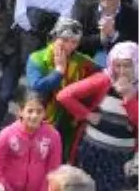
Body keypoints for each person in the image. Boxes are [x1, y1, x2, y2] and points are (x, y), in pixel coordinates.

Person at [56, 41, 139, 191]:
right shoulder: (104, 80)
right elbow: (64, 96)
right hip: (91, 152)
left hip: (121, 159)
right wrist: (87, 115)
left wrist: (129, 97)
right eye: (117, 65)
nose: (121, 71)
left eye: (127, 66)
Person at [27, 17, 97, 160]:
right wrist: (59, 71)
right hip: (40, 116)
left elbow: (104, 74)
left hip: (67, 120)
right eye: (64, 40)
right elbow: (38, 86)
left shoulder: (82, 61)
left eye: (74, 42)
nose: (69, 46)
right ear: (55, 37)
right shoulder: (37, 58)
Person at [0, 93, 64, 191]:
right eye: (30, 111)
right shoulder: (6, 134)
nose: (34, 116)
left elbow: (53, 170)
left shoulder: (53, 136)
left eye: (39, 111)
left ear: (45, 113)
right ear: (20, 112)